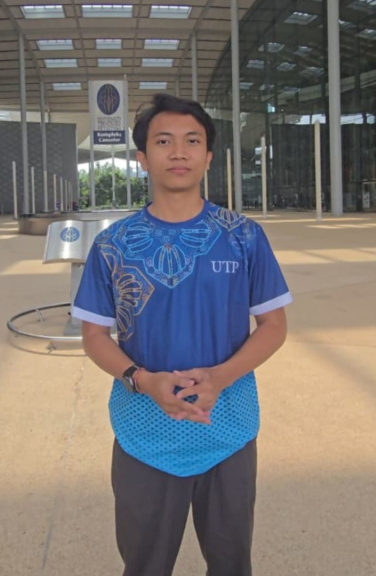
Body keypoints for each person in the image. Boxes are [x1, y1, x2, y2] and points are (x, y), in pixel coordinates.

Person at [71, 93, 292, 576]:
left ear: (208, 156)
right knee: (145, 565)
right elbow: (94, 336)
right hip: (142, 432)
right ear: (142, 157)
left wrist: (220, 377)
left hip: (228, 427)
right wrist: (142, 379)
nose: (178, 152)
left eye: (192, 141)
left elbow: (274, 326)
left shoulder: (243, 236)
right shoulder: (112, 245)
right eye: (163, 141)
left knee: (232, 563)